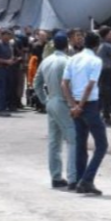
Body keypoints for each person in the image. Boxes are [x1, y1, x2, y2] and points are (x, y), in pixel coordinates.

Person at [63, 31, 108, 196]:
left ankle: (81, 180)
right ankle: (87, 179)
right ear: (97, 45)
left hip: (76, 102)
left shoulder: (73, 59)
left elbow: (64, 84)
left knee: (81, 145)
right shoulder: (96, 60)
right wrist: (80, 105)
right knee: (102, 145)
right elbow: (90, 86)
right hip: (89, 104)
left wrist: (73, 105)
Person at [33, 33, 77, 188]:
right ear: (66, 45)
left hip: (51, 100)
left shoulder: (46, 61)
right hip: (63, 102)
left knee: (54, 141)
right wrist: (74, 104)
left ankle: (56, 177)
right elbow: (72, 85)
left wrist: (45, 100)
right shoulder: (68, 61)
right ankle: (73, 177)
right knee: (73, 139)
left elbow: (36, 83)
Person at [0, 29, 16, 117]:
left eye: (10, 35)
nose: (9, 36)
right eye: (7, 35)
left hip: (8, 69)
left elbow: (10, 56)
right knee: (1, 89)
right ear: (3, 35)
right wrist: (6, 61)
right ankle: (0, 108)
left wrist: (12, 60)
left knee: (7, 89)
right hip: (1, 69)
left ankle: (4, 107)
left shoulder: (9, 45)